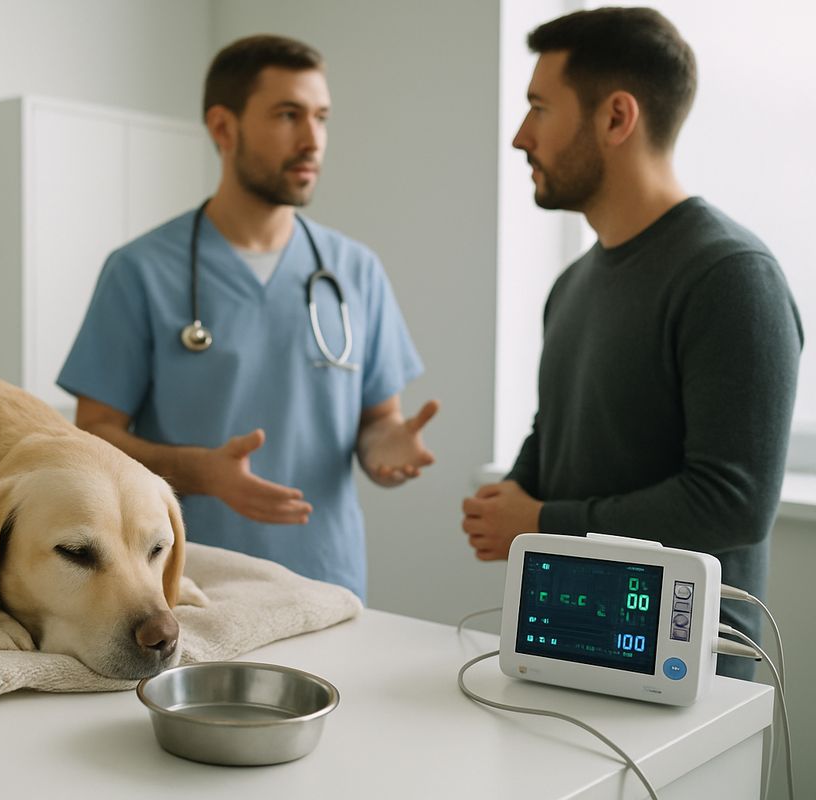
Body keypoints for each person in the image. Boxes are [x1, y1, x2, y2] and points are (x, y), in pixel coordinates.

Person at [461, 7, 803, 678]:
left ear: (617, 118)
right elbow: (565, 423)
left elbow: (731, 502)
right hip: (560, 649)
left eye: (539, 108)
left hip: (687, 678)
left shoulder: (732, 276)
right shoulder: (572, 284)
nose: (520, 137)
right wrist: (517, 489)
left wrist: (544, 520)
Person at [57, 34, 438, 601]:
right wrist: (198, 472)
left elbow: (378, 419)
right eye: (288, 115)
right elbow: (93, 436)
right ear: (223, 127)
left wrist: (389, 447)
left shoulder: (355, 270)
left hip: (325, 581)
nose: (312, 139)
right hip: (189, 582)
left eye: (321, 117)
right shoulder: (140, 271)